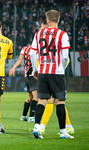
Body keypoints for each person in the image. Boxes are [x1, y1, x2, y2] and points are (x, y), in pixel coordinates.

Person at [30, 10, 74, 139]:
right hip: (57, 71)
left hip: (43, 71)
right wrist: (61, 68)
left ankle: (37, 126)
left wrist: (35, 69)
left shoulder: (38, 34)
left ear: (48, 20)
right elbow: (65, 56)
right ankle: (63, 132)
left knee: (42, 100)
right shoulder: (62, 34)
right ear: (58, 20)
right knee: (60, 101)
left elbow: (33, 54)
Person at [9, 44, 38, 122]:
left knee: (30, 97)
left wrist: (13, 68)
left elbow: (20, 60)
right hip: (34, 75)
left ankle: (24, 116)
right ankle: (31, 117)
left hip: (26, 75)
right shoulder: (38, 48)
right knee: (36, 96)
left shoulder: (24, 48)